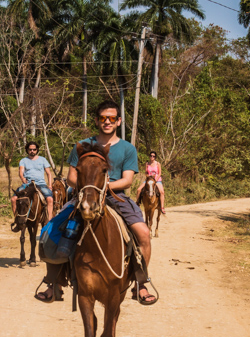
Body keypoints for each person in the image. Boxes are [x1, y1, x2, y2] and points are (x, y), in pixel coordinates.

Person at [35, 100, 157, 305]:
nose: (107, 122)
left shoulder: (128, 149)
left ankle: (140, 283)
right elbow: (71, 178)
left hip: (114, 196)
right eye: (103, 118)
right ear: (97, 120)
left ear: (118, 121)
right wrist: (89, 187)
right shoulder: (83, 145)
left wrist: (104, 187)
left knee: (143, 233)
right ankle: (53, 283)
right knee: (52, 229)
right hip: (83, 195)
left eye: (111, 118)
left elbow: (127, 180)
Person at [11, 141, 55, 222]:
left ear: (37, 150)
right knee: (14, 199)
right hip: (27, 184)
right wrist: (23, 179)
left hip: (41, 184)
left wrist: (50, 185)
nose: (32, 151)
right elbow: (21, 172)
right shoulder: (23, 160)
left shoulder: (43, 159)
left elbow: (49, 173)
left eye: (34, 149)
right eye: (30, 149)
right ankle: (17, 220)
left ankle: (49, 221)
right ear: (27, 150)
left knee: (50, 199)